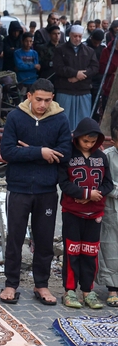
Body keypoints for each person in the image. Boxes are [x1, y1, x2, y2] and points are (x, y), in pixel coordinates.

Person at [0, 78, 71, 306]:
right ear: (29, 96)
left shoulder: (59, 119)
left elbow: (64, 155)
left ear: (53, 99)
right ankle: (11, 284)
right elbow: (7, 152)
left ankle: (42, 285)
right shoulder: (15, 117)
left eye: (47, 100)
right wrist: (40, 152)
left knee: (44, 240)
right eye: (38, 99)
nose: (42, 104)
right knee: (15, 238)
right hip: (18, 187)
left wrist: (29, 151)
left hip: (47, 189)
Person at [58, 117, 112, 309]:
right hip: (72, 211)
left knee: (90, 252)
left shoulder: (101, 157)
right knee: (72, 251)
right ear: (77, 138)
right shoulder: (68, 156)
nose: (88, 145)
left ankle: (88, 290)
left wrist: (92, 197)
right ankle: (69, 290)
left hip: (94, 213)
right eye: (85, 141)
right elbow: (63, 183)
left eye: (92, 142)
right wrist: (84, 193)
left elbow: (108, 184)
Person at [53, 25, 99, 130]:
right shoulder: (60, 50)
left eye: (79, 36)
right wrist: (75, 73)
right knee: (64, 123)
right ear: (70, 35)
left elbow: (95, 68)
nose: (77, 39)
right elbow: (58, 68)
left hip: (83, 90)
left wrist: (78, 77)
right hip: (65, 90)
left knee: (83, 124)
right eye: (75, 36)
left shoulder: (89, 51)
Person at [97, 115, 118, 307]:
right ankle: (113, 288)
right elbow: (105, 183)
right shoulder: (108, 156)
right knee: (110, 247)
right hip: (111, 210)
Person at [97, 31, 118, 120]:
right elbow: (102, 69)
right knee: (108, 117)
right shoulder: (107, 51)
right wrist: (115, 68)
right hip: (109, 89)